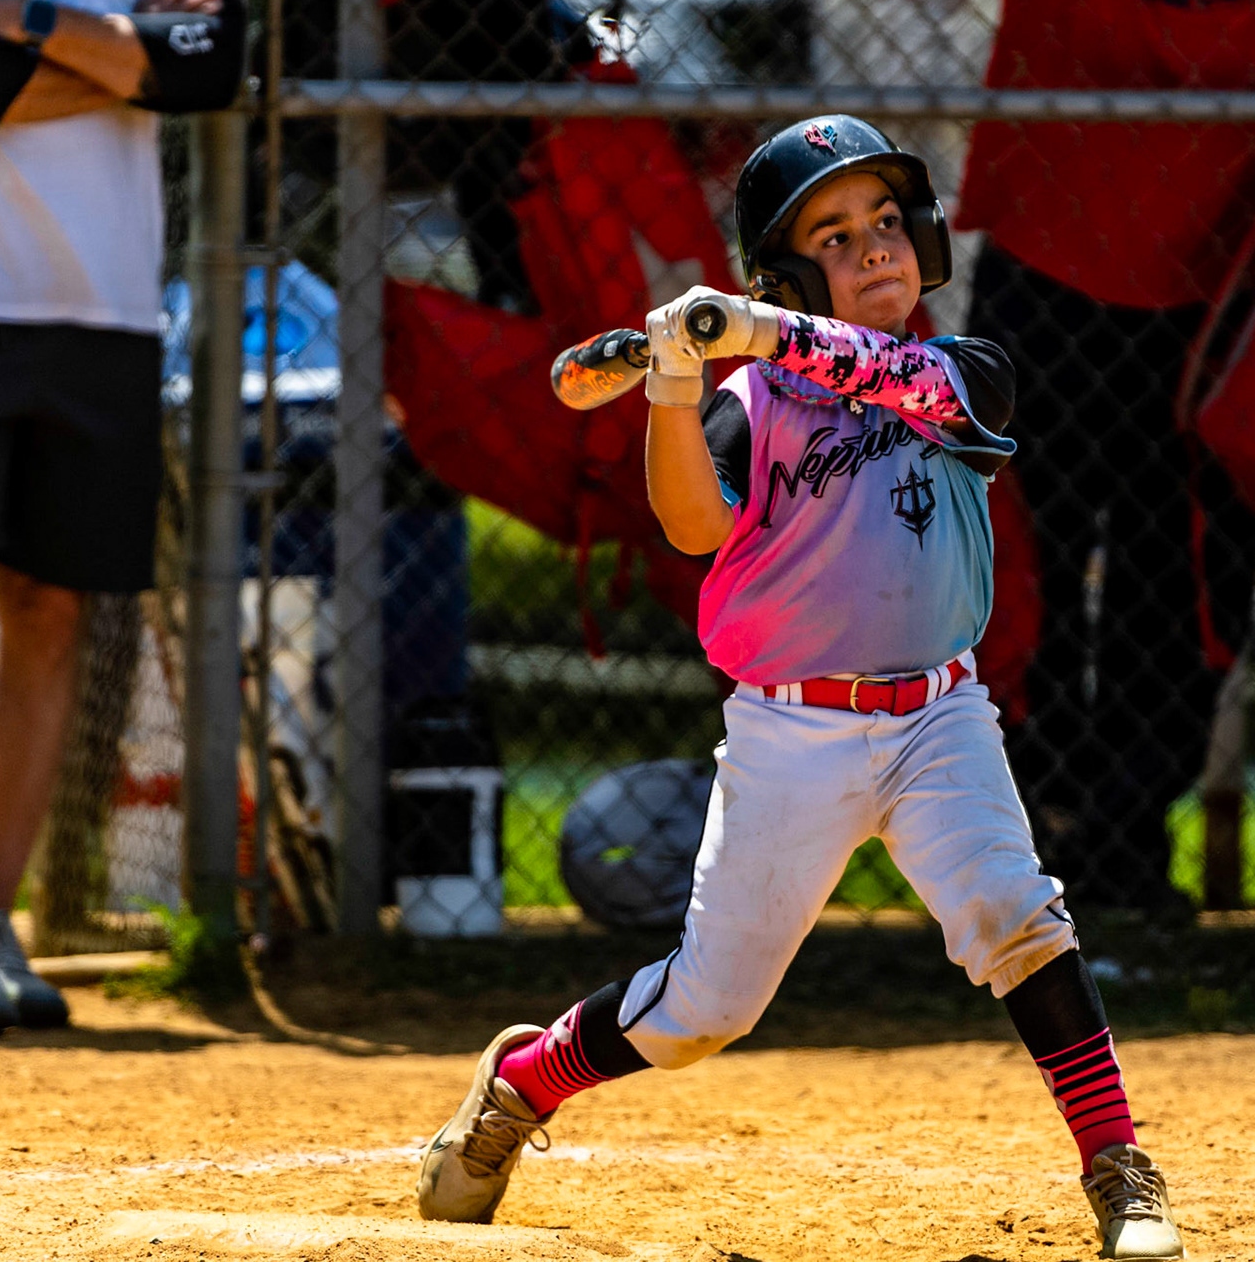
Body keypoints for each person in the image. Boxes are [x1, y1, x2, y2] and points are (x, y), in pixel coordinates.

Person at [416, 116, 1186, 1260]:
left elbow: (887, 378)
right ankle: (526, 1079)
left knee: (1015, 913)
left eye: (886, 222)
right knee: (705, 1009)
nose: (874, 247)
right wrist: (676, 387)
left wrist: (767, 327)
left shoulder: (965, 372)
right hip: (791, 730)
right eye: (834, 234)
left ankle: (1120, 1170)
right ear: (781, 270)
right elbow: (688, 522)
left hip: (939, 714)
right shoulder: (751, 407)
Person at [958, 0, 1255, 912]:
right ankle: (1032, 834)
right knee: (1025, 566)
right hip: (1047, 264)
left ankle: (1127, 837)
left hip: (1216, 277)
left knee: (1184, 576)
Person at [0, 0, 248, 1035]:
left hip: (106, 311)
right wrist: (130, 61)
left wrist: (21, 28)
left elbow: (210, 68)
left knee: (52, 611)